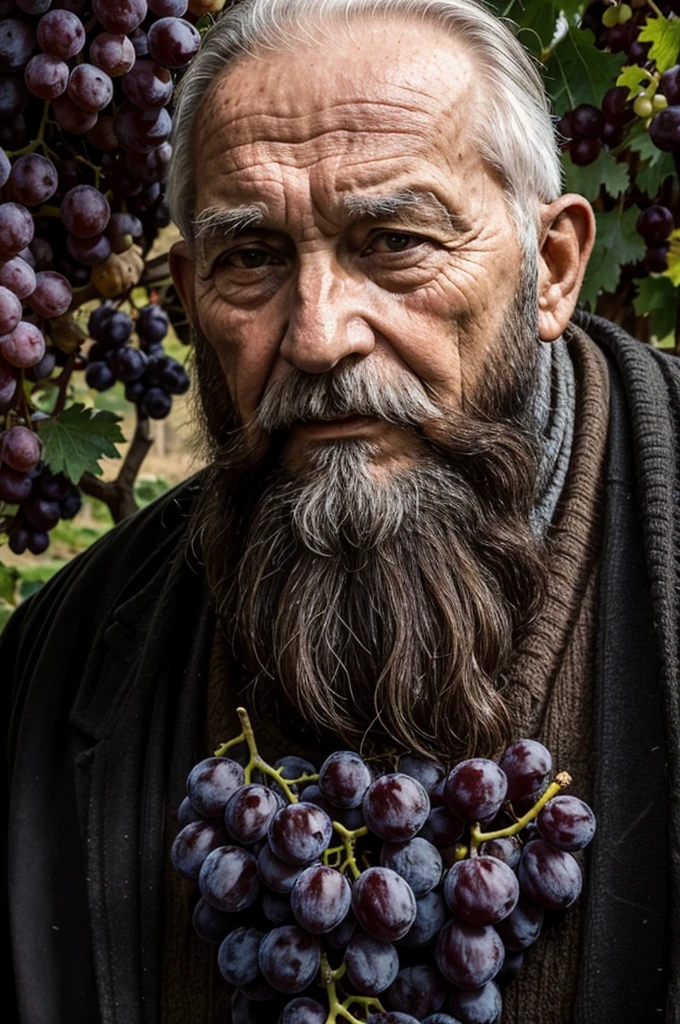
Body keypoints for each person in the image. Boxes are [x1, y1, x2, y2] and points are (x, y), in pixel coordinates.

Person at [4, 0, 679, 1021]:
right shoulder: (47, 683)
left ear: (551, 269)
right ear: (189, 294)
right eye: (252, 259)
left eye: (394, 242)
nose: (317, 336)